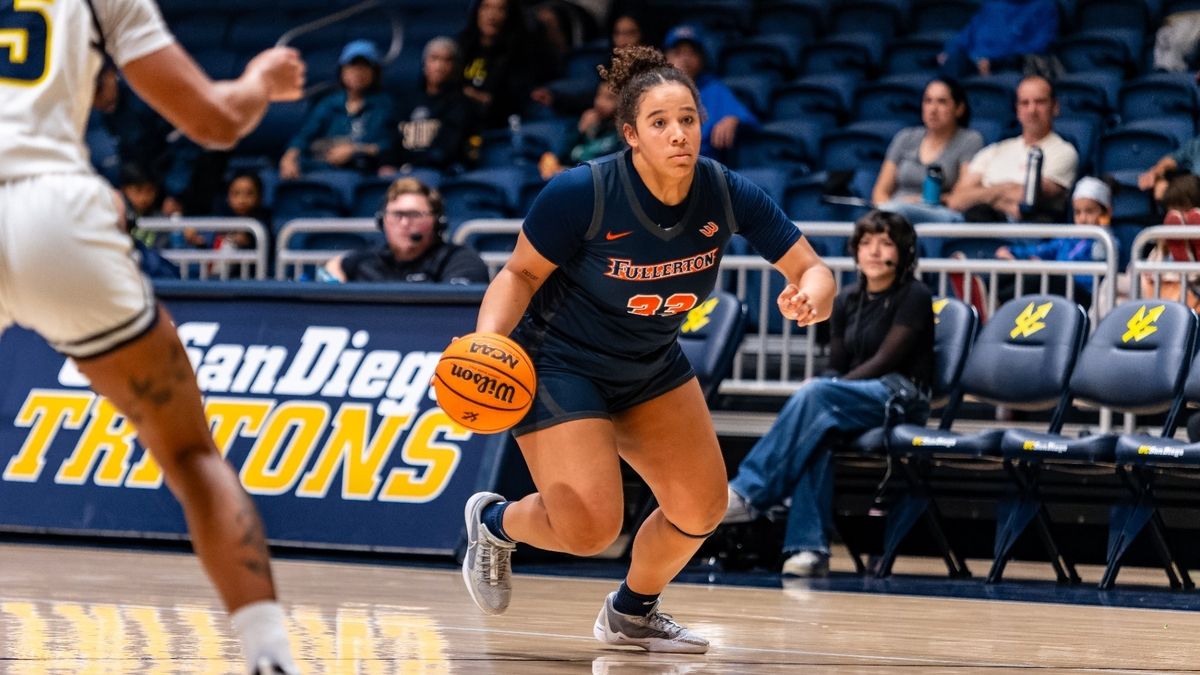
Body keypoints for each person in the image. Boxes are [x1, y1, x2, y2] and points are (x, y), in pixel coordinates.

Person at [459, 45, 835, 652]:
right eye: (660, 122)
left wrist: (811, 294)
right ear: (631, 133)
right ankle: (495, 522)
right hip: (559, 362)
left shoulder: (724, 191)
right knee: (589, 530)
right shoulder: (582, 192)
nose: (678, 133)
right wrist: (487, 343)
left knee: (702, 508)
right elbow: (519, 275)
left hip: (649, 365)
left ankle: (632, 612)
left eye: (687, 118)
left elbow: (810, 266)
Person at [0, 0, 305, 672]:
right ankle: (269, 658)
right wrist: (260, 80)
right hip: (56, 209)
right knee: (190, 452)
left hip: (52, 196)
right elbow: (215, 121)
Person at [723, 211, 935, 577]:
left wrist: (829, 387)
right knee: (816, 433)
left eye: (885, 242)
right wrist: (824, 383)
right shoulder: (847, 298)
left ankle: (748, 492)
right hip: (852, 399)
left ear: (902, 252)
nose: (873, 250)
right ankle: (809, 549)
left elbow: (887, 361)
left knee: (820, 396)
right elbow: (836, 362)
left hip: (902, 394)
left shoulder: (915, 295)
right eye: (866, 242)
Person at [945, 75, 1078, 222]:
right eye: (1025, 103)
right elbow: (956, 200)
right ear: (1017, 110)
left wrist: (983, 193)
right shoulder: (995, 150)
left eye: (1040, 102)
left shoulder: (1064, 152)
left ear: (1055, 107)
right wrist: (1006, 190)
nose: (1032, 109)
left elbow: (1027, 197)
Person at [323, 177, 489, 284]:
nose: (403, 223)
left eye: (414, 215)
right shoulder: (369, 260)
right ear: (382, 221)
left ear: (438, 221)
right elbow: (335, 265)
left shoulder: (460, 261)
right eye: (396, 214)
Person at [871, 77, 984, 224]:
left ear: (959, 108)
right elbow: (880, 191)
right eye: (928, 101)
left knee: (898, 211)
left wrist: (918, 201)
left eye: (942, 102)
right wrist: (889, 210)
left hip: (939, 212)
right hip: (895, 213)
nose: (933, 109)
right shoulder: (905, 137)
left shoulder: (970, 140)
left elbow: (963, 194)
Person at [279, 40, 394, 179]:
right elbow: (304, 136)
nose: (357, 73)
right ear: (342, 71)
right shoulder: (328, 103)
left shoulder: (386, 105)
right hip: (323, 167)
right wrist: (288, 158)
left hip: (364, 171)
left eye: (364, 67)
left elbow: (389, 145)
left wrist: (355, 150)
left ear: (374, 72)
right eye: (352, 67)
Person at [995, 176, 1113, 308]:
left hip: (1082, 296)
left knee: (1041, 276)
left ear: (1105, 213)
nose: (1083, 218)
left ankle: (997, 301)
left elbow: (1095, 281)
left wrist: (1055, 270)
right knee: (1012, 269)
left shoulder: (1106, 242)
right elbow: (1043, 250)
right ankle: (991, 296)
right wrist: (1011, 251)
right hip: (1059, 287)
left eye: (1089, 211)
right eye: (1078, 212)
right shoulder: (1069, 238)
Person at [663, 24, 759, 161]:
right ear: (667, 58)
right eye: (678, 53)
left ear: (702, 59)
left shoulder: (714, 89)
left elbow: (750, 121)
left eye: (692, 53)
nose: (685, 59)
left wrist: (733, 119)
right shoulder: (654, 92)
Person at [385, 37, 471, 173]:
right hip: (402, 171)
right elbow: (391, 139)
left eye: (447, 60)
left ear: (456, 67)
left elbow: (447, 150)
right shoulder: (406, 101)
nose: (439, 66)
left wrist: (412, 166)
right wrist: (388, 164)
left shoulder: (461, 103)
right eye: (434, 59)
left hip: (440, 172)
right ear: (424, 63)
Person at [937, 0, 1060, 78]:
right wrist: (950, 52)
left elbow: (1041, 45)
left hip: (1006, 66)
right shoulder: (991, 5)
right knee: (952, 61)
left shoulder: (1045, 6)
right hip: (971, 63)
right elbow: (964, 36)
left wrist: (995, 62)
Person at [537, 82, 621, 179]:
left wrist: (565, 171)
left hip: (587, 178)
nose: (599, 102)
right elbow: (563, 152)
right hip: (567, 170)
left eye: (609, 98)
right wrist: (580, 129)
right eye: (598, 95)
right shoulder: (591, 122)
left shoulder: (617, 136)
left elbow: (603, 168)